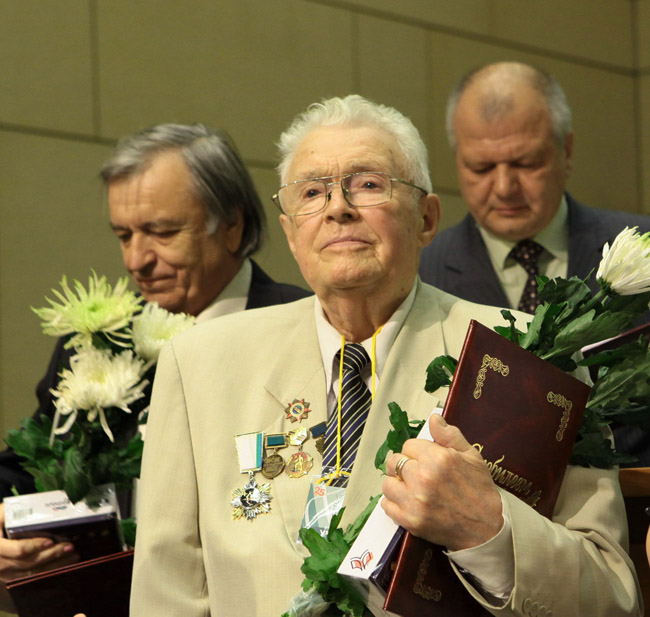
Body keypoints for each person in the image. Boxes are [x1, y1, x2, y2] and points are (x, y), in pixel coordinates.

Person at [130, 96, 641, 616]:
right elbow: (166, 590)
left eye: (368, 184)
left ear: (426, 218)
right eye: (312, 192)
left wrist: (490, 531)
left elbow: (612, 597)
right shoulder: (198, 364)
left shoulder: (527, 355)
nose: (337, 207)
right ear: (290, 233)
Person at [0, 123, 310, 597]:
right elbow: (26, 466)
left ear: (233, 226)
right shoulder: (96, 343)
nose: (135, 260)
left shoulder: (302, 332)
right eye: (123, 235)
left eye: (162, 232)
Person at [417, 61, 650, 464]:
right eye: (481, 168)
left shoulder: (640, 250)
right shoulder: (422, 271)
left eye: (526, 163)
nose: (505, 187)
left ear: (568, 151)